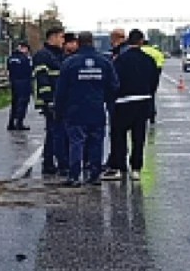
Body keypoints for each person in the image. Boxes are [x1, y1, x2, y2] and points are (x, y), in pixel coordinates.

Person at [54, 32, 118, 187]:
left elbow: (61, 89)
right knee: (96, 142)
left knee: (76, 142)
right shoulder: (104, 62)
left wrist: (58, 109)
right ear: (93, 42)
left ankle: (74, 176)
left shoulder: (69, 63)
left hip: (75, 109)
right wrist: (104, 99)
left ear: (78, 42)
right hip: (96, 108)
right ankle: (95, 175)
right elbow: (114, 86)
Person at [103, 30, 161, 180]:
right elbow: (154, 81)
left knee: (119, 135)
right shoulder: (149, 60)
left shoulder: (120, 60)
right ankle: (136, 169)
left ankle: (120, 167)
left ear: (128, 41)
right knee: (138, 137)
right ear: (141, 41)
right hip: (143, 101)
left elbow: (113, 81)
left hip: (123, 102)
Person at [33, 28, 69, 176]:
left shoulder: (59, 54)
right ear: (52, 37)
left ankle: (49, 163)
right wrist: (48, 100)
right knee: (56, 132)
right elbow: (42, 79)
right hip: (51, 100)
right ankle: (56, 163)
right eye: (61, 37)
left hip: (59, 99)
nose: (63, 40)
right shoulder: (43, 55)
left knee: (53, 132)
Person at [6, 41, 34, 131]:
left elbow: (8, 69)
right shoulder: (25, 59)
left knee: (14, 103)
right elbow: (29, 70)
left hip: (14, 82)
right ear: (24, 48)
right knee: (22, 103)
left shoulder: (10, 58)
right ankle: (19, 123)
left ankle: (11, 123)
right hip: (24, 83)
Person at [139, 37, 165, 126]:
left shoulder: (140, 50)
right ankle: (152, 115)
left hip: (141, 75)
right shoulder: (156, 52)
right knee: (152, 95)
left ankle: (143, 115)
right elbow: (161, 63)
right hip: (155, 74)